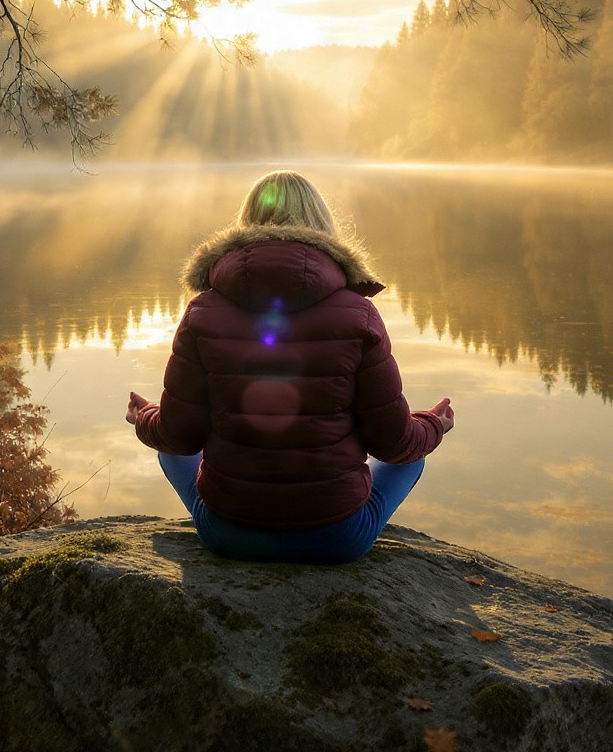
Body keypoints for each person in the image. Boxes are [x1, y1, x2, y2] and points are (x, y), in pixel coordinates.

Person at [126, 169, 453, 563]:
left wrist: (145, 416)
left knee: (168, 451)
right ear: (322, 225)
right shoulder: (359, 314)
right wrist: (434, 424)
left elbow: (179, 438)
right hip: (338, 538)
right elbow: (394, 443)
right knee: (413, 454)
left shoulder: (202, 312)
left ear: (245, 225)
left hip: (228, 534)